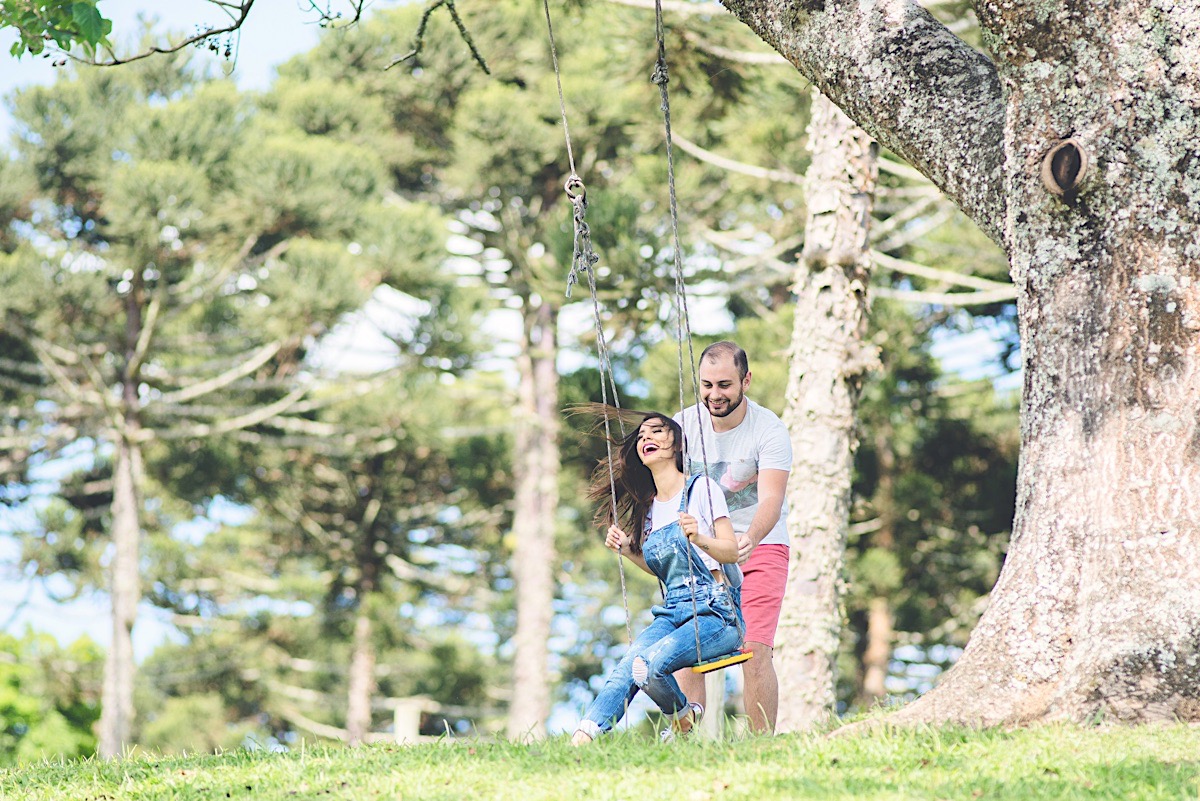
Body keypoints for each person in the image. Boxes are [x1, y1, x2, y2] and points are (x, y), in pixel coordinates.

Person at [572, 411, 743, 745]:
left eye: (657, 431)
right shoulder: (649, 507)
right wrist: (627, 549)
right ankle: (582, 737)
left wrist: (700, 538)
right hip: (674, 610)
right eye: (641, 435)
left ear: (676, 444)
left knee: (647, 666)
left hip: (716, 612)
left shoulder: (702, 488)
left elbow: (732, 552)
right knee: (629, 665)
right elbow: (659, 566)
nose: (645, 438)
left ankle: (682, 716)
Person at [674, 341, 792, 735]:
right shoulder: (684, 425)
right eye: (706, 385)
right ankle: (683, 742)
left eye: (724, 384)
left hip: (761, 544)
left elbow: (772, 499)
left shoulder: (769, 428)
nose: (714, 395)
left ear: (746, 380)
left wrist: (750, 540)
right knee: (688, 650)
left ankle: (761, 747)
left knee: (754, 650)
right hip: (701, 550)